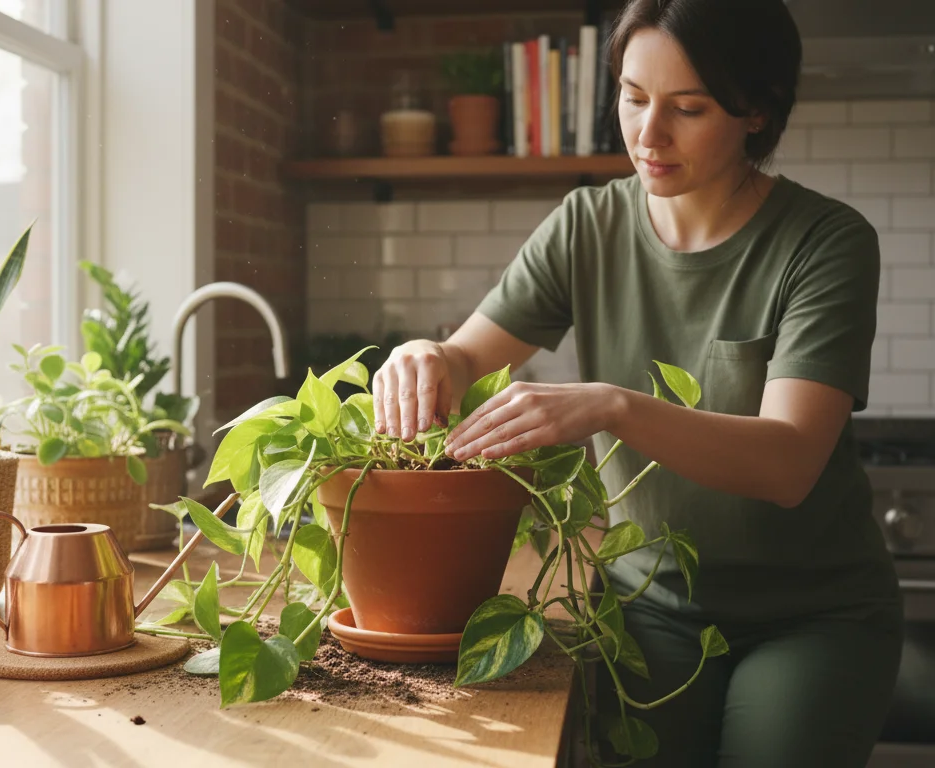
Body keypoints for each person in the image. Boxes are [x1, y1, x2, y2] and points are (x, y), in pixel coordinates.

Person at [368, 0, 902, 766]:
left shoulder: (826, 242)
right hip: (647, 610)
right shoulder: (586, 225)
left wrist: (611, 405)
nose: (649, 135)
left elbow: (786, 464)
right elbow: (464, 359)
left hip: (813, 617)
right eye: (632, 96)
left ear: (757, 110)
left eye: (688, 108)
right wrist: (426, 355)